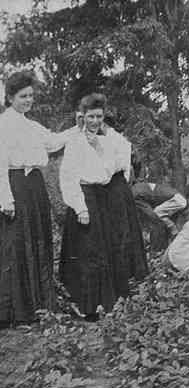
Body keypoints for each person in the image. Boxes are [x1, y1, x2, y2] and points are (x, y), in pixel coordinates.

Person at [59, 93, 148, 320]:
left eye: (99, 116)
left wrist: (100, 145)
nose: (95, 121)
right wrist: (80, 208)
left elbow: (110, 170)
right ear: (82, 116)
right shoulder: (75, 142)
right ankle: (87, 307)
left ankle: (106, 303)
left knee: (105, 250)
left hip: (102, 199)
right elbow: (68, 177)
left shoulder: (107, 139)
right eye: (91, 116)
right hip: (85, 198)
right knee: (88, 253)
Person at [0, 70, 73, 327]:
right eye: (23, 96)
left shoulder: (31, 125)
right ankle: (16, 311)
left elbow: (52, 142)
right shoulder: (4, 125)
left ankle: (39, 305)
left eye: (30, 95)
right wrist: (5, 199)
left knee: (39, 240)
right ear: (10, 97)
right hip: (16, 185)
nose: (28, 100)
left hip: (35, 186)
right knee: (18, 245)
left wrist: (78, 127)